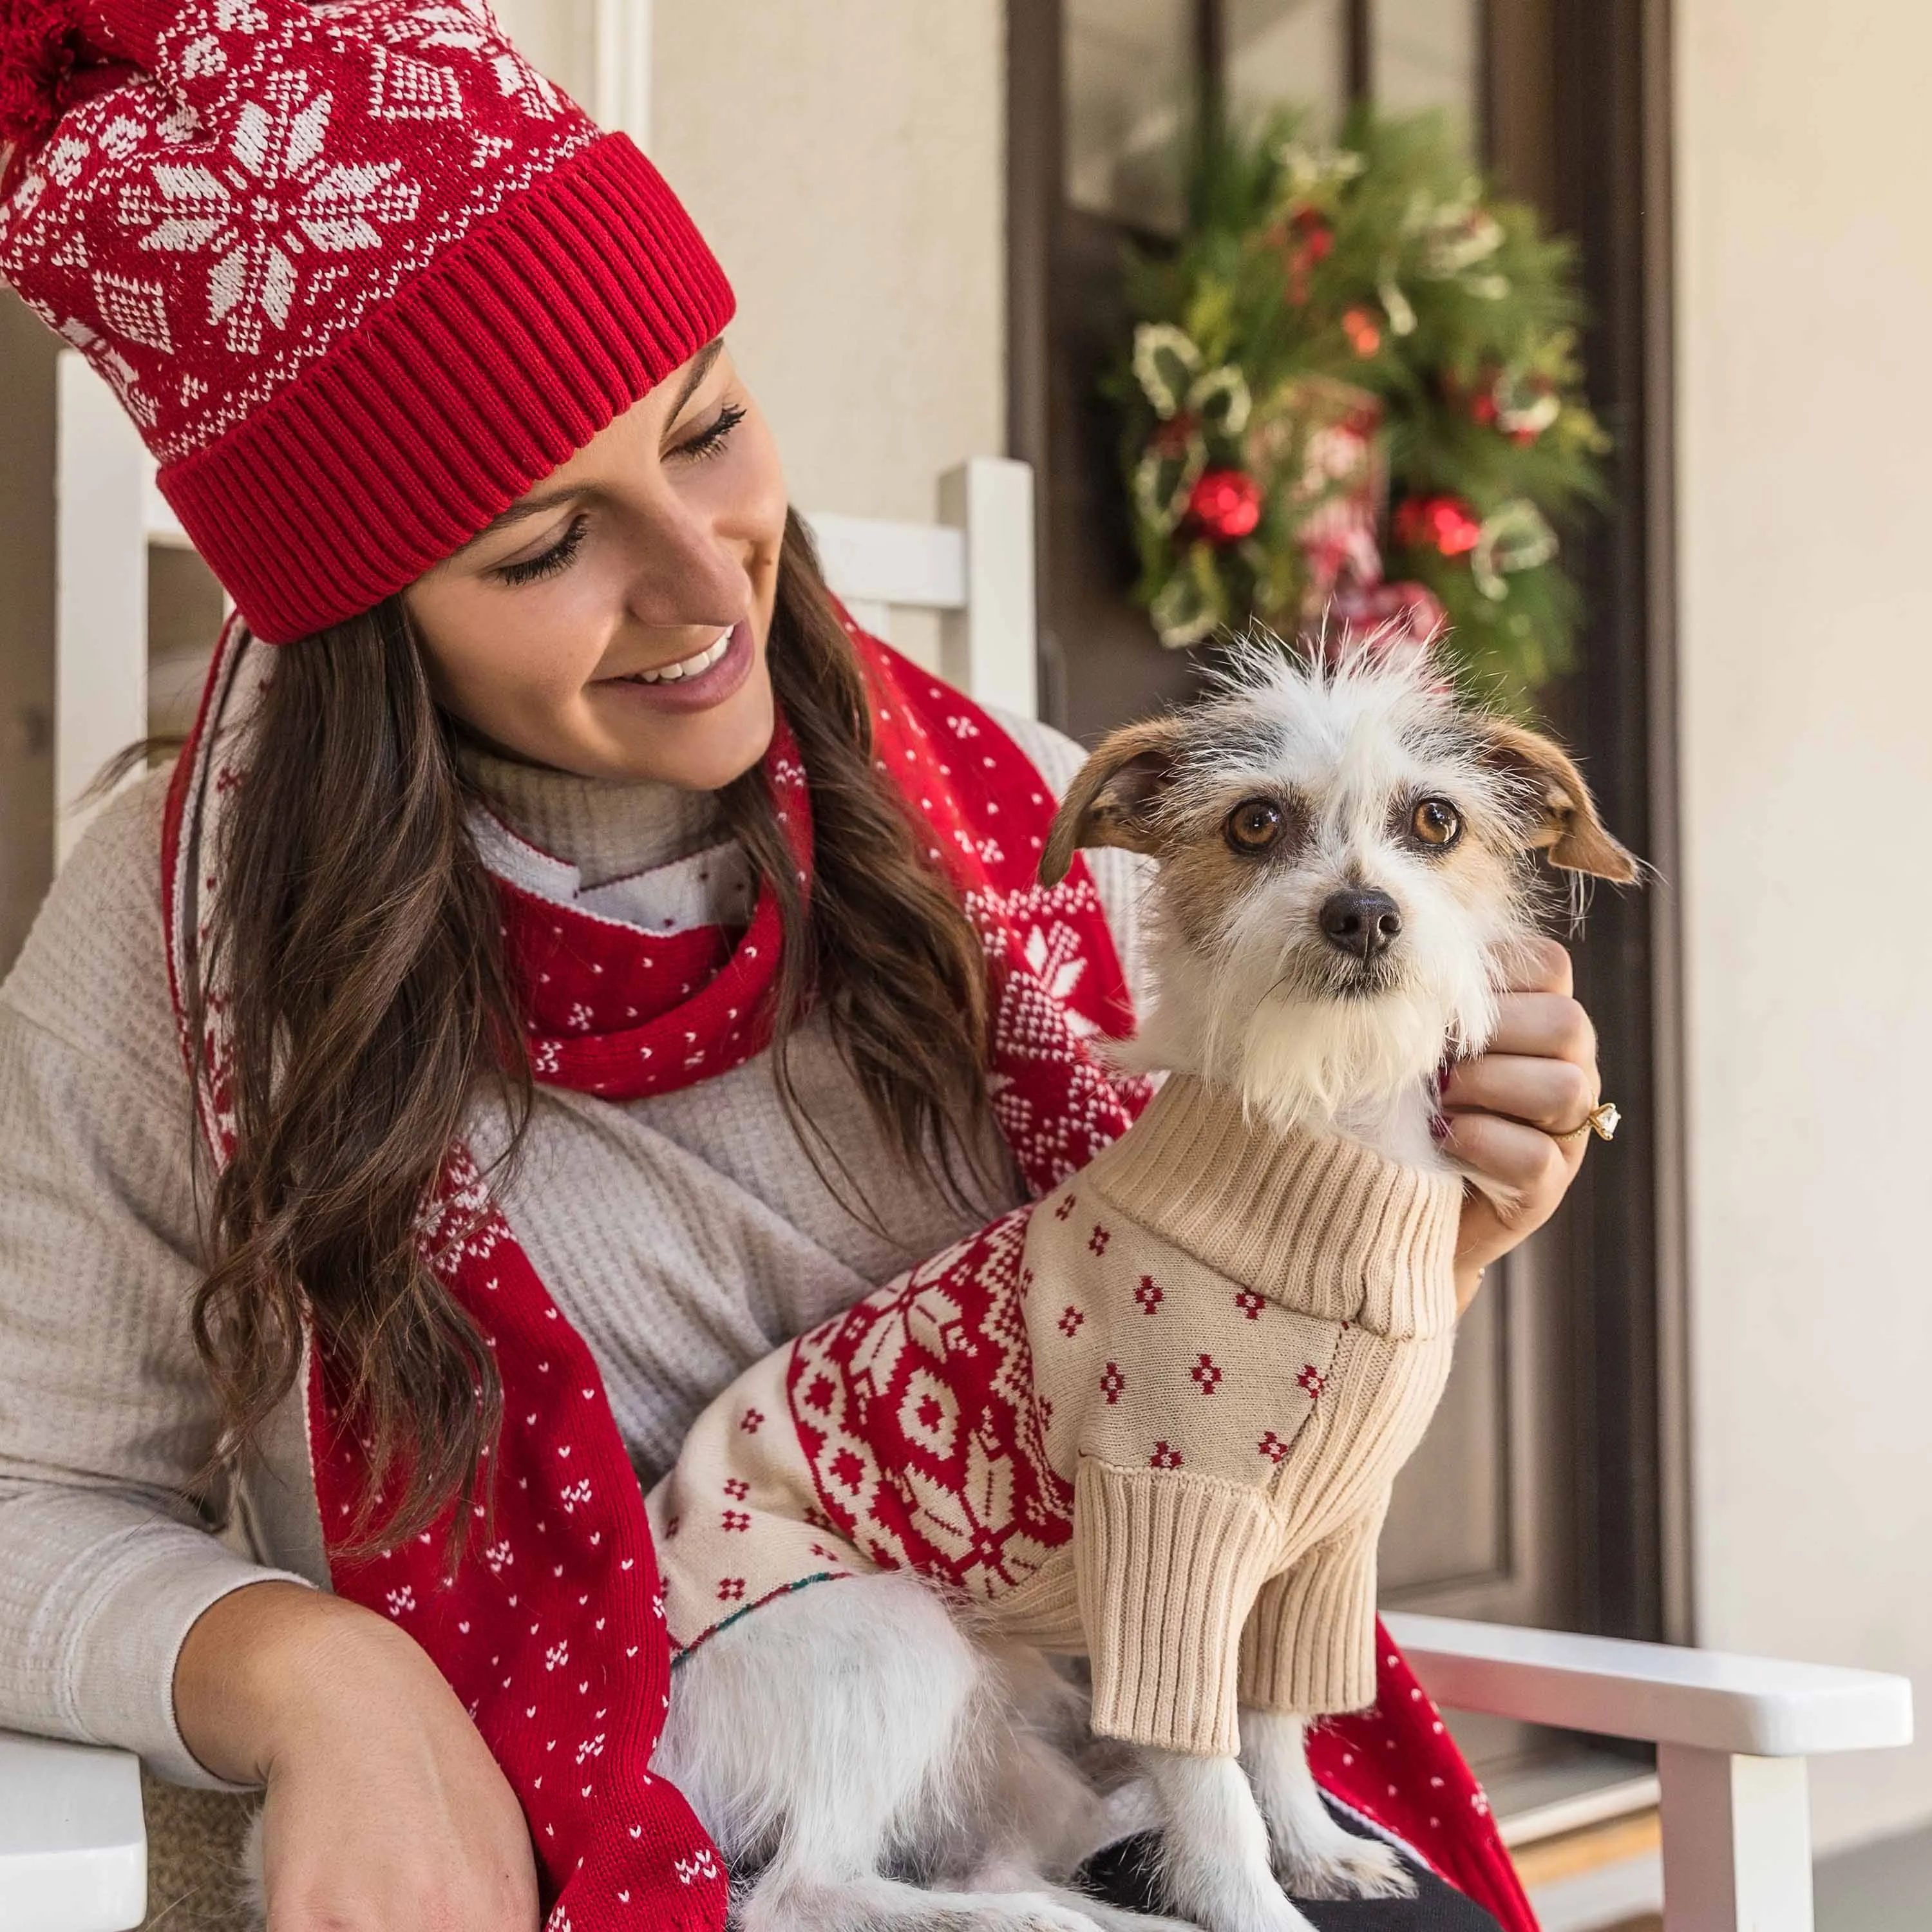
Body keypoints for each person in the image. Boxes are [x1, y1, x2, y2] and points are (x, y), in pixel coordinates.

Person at [0, 5, 1604, 1928]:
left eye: (709, 431)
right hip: (713, 1803)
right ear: (366, 621)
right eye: (541, 548)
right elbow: (26, 1500)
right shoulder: (186, 948)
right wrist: (319, 1679)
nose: (703, 585)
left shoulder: (1004, 808)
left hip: (1117, 1763)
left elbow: (1177, 1343)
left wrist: (1438, 1215)